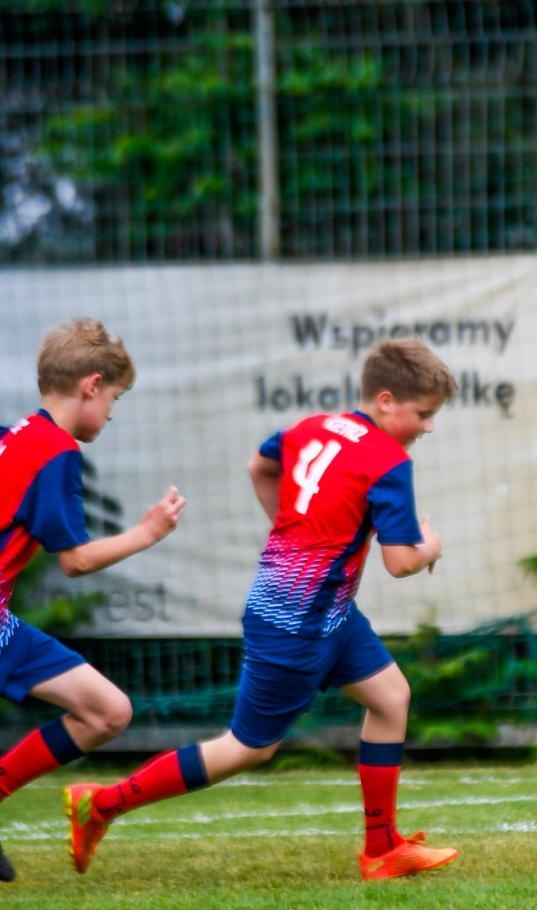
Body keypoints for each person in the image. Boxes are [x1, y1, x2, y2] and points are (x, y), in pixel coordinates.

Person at [65, 339, 459, 882]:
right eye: (423, 414)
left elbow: (259, 465)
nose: (428, 426)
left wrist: (294, 531)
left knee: (391, 698)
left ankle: (382, 848)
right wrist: (431, 547)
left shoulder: (314, 427)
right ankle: (101, 804)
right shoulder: (389, 461)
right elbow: (400, 562)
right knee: (247, 748)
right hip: (297, 624)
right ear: (387, 400)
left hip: (324, 612)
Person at [0, 319, 185, 883]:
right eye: (114, 400)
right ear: (91, 385)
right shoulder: (55, 452)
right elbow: (75, 561)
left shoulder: (14, 435)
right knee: (108, 712)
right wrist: (148, 533)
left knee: (107, 711)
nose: (110, 414)